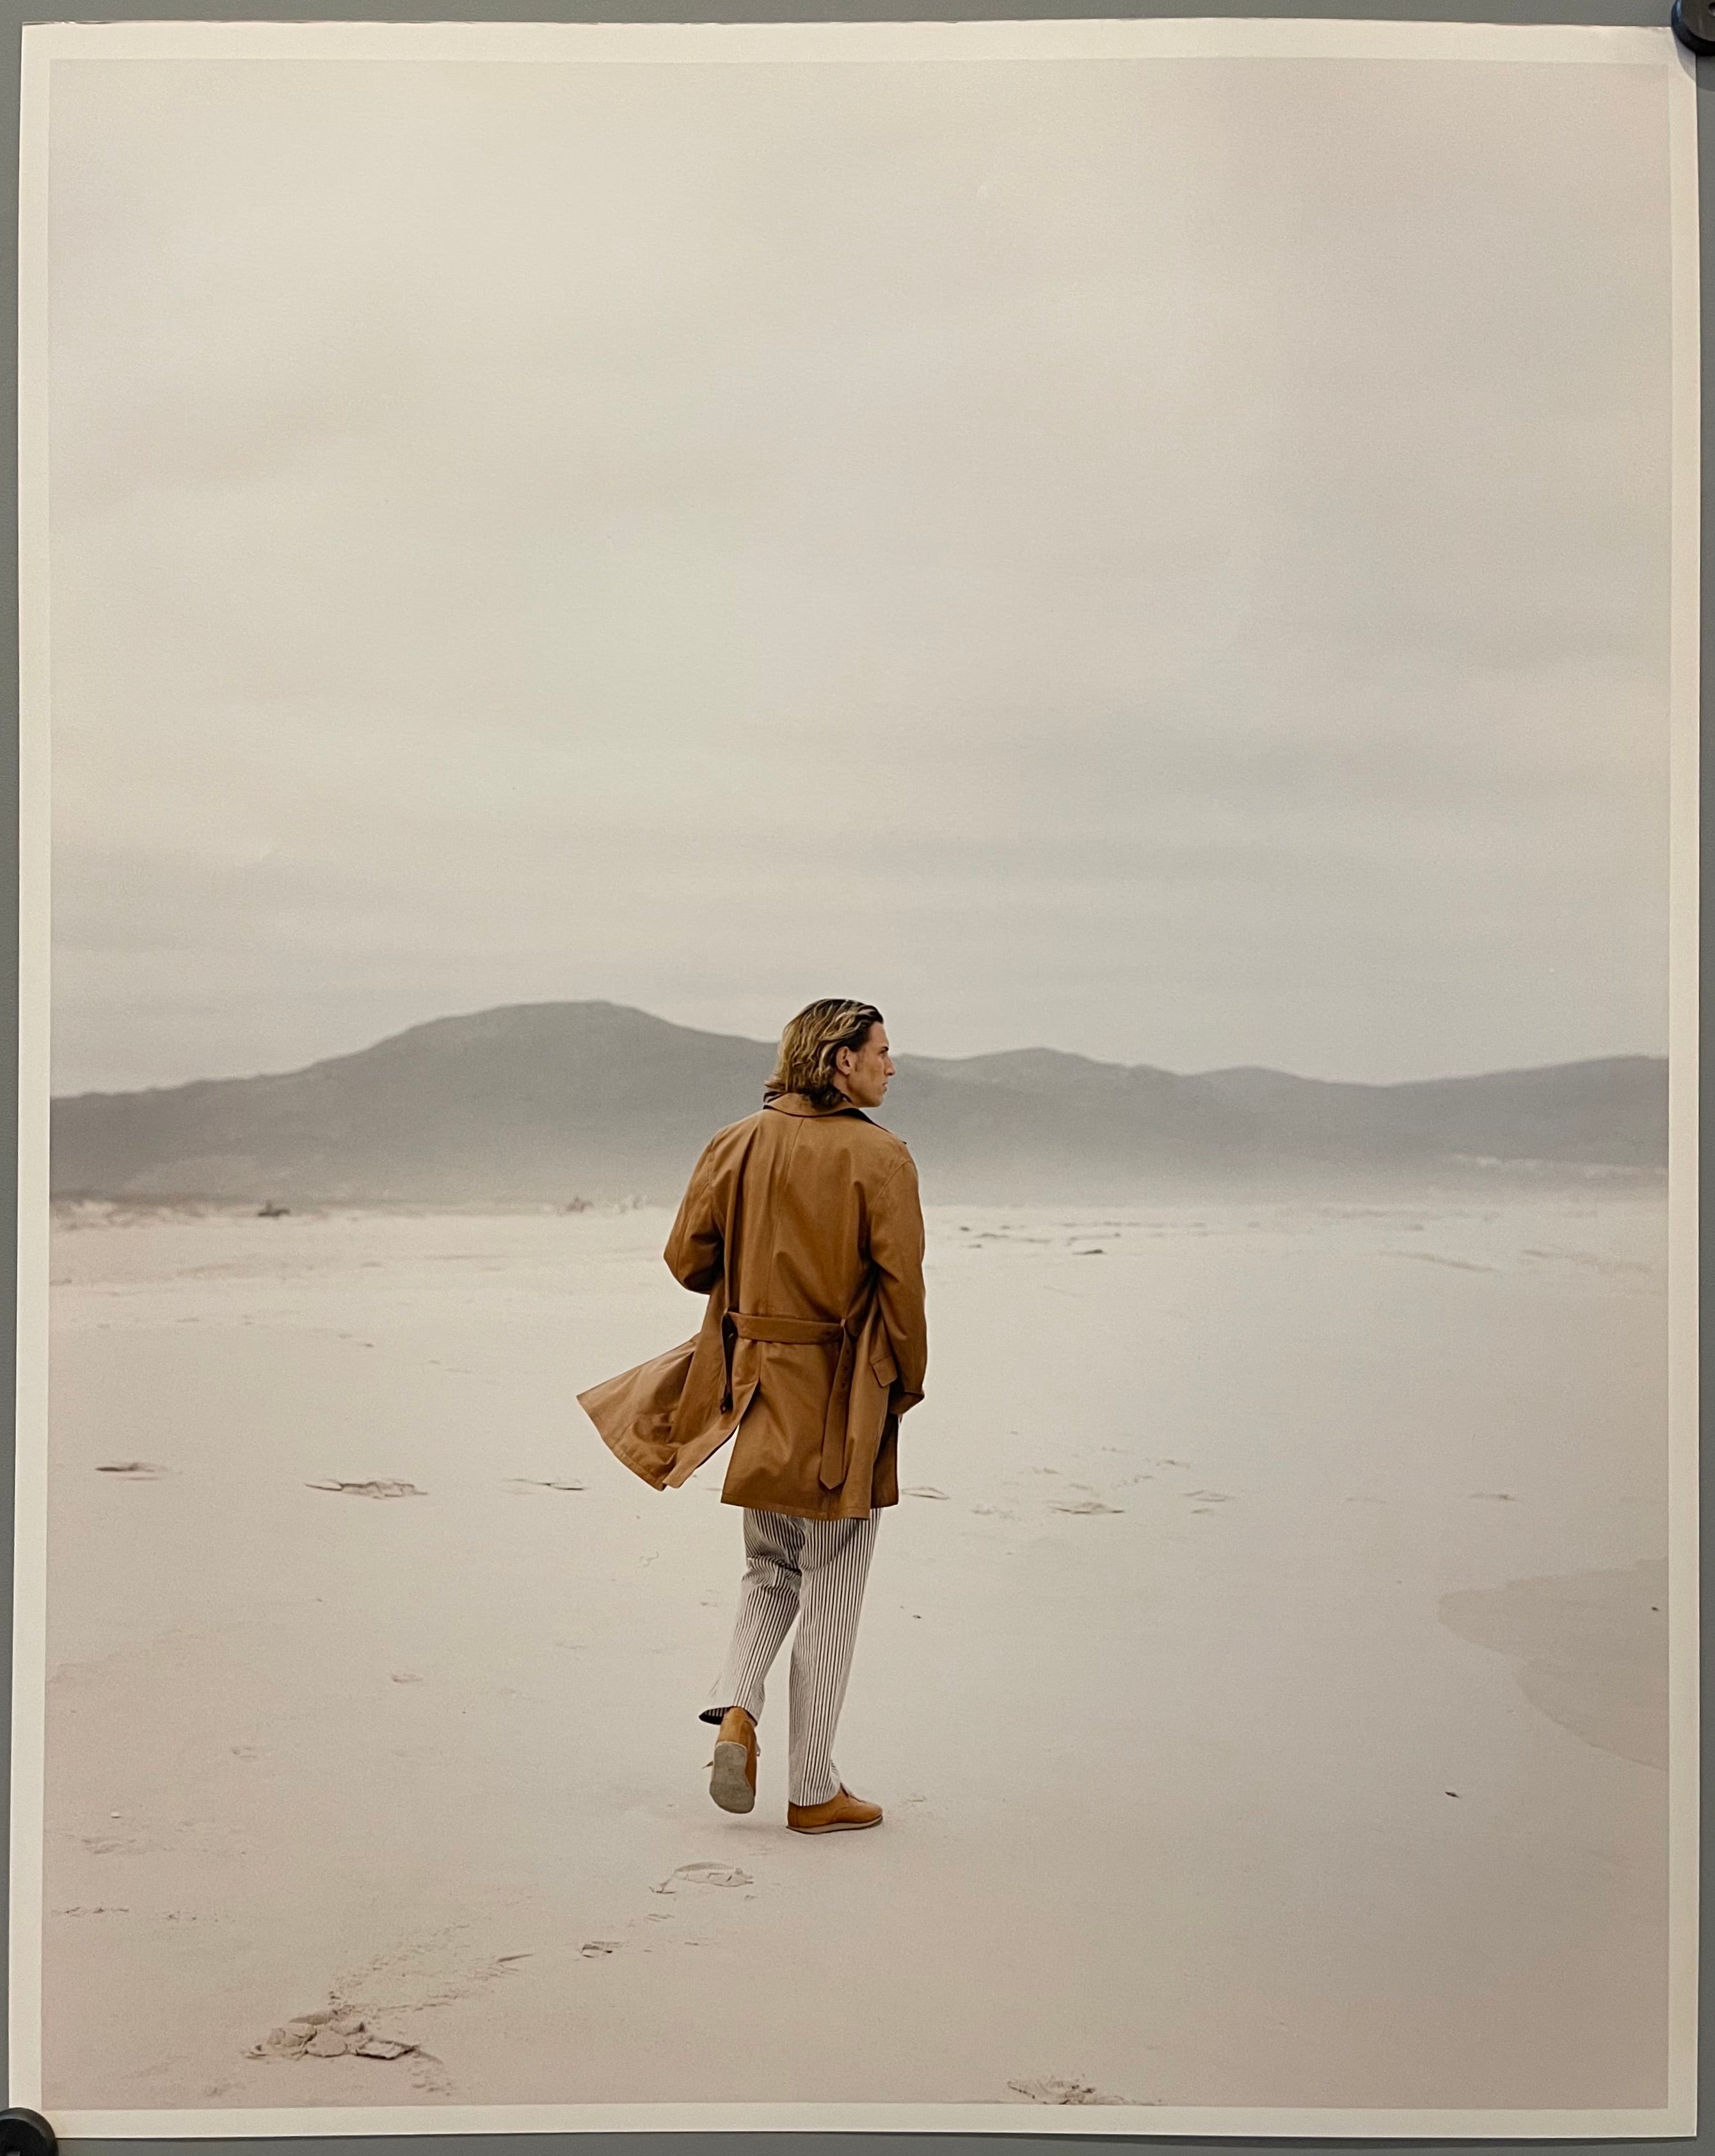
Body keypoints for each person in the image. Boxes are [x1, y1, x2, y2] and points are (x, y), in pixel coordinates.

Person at [577, 998, 928, 1835]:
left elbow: (685, 1258)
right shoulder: (881, 1158)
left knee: (770, 1567)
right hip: (842, 1397)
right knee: (836, 1582)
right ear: (841, 1060)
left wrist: (759, 1295)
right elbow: (902, 1293)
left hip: (754, 1391)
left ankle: (737, 1707)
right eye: (881, 1051)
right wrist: (904, 1387)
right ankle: (813, 1788)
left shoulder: (735, 1141)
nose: (891, 1065)